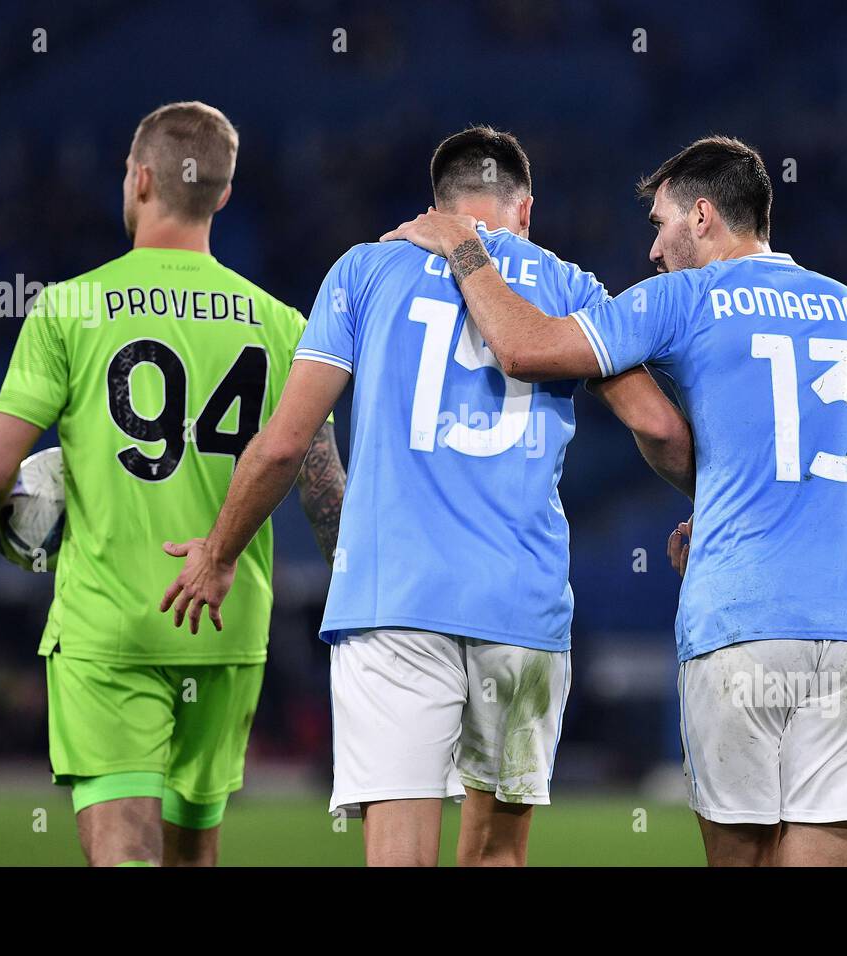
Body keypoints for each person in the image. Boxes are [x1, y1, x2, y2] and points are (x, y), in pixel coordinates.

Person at [380, 134, 847, 867]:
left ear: (703, 217)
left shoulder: (686, 297)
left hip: (744, 621)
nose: (654, 249)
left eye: (660, 223)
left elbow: (523, 348)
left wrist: (459, 246)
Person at [161, 126, 694, 866]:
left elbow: (286, 443)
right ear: (526, 210)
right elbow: (661, 427)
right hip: (523, 607)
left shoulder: (364, 271)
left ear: (434, 206)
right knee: (498, 855)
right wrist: (719, 507)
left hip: (394, 602)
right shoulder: (570, 287)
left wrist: (220, 554)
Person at [0, 101, 345, 866]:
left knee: (121, 853)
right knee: (190, 854)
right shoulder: (280, 323)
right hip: (226, 627)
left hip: (111, 626)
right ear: (224, 194)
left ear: (140, 178)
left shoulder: (68, 307)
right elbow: (324, 491)